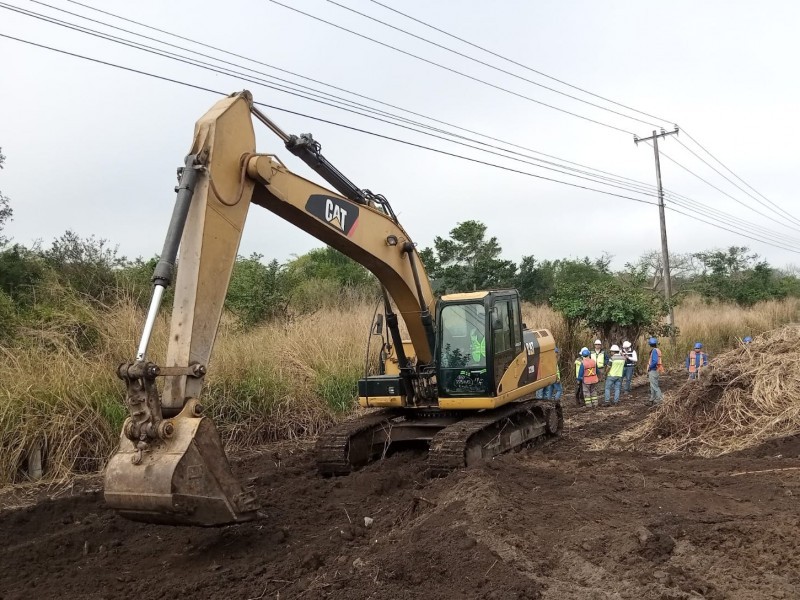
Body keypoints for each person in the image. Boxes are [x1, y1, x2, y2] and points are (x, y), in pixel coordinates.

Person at [647, 337, 664, 405]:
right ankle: (652, 400)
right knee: (652, 386)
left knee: (654, 386)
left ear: (650, 344)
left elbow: (654, 361)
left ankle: (660, 399)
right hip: (656, 369)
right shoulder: (657, 350)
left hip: (653, 370)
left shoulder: (654, 351)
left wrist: (650, 367)